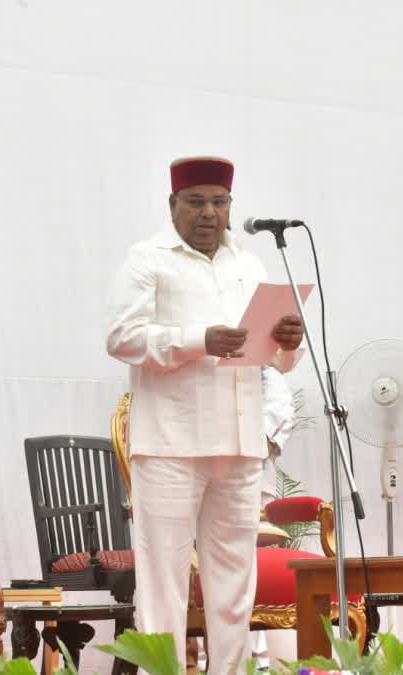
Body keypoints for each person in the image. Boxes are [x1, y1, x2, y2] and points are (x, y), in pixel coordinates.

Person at [105, 156, 305, 673]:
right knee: (163, 583)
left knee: (235, 583)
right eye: (195, 201)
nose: (208, 213)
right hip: (171, 443)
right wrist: (200, 341)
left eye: (219, 202)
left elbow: (272, 361)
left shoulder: (249, 265)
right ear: (173, 205)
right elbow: (121, 338)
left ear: (230, 206)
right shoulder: (148, 259)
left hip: (238, 444)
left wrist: (287, 345)